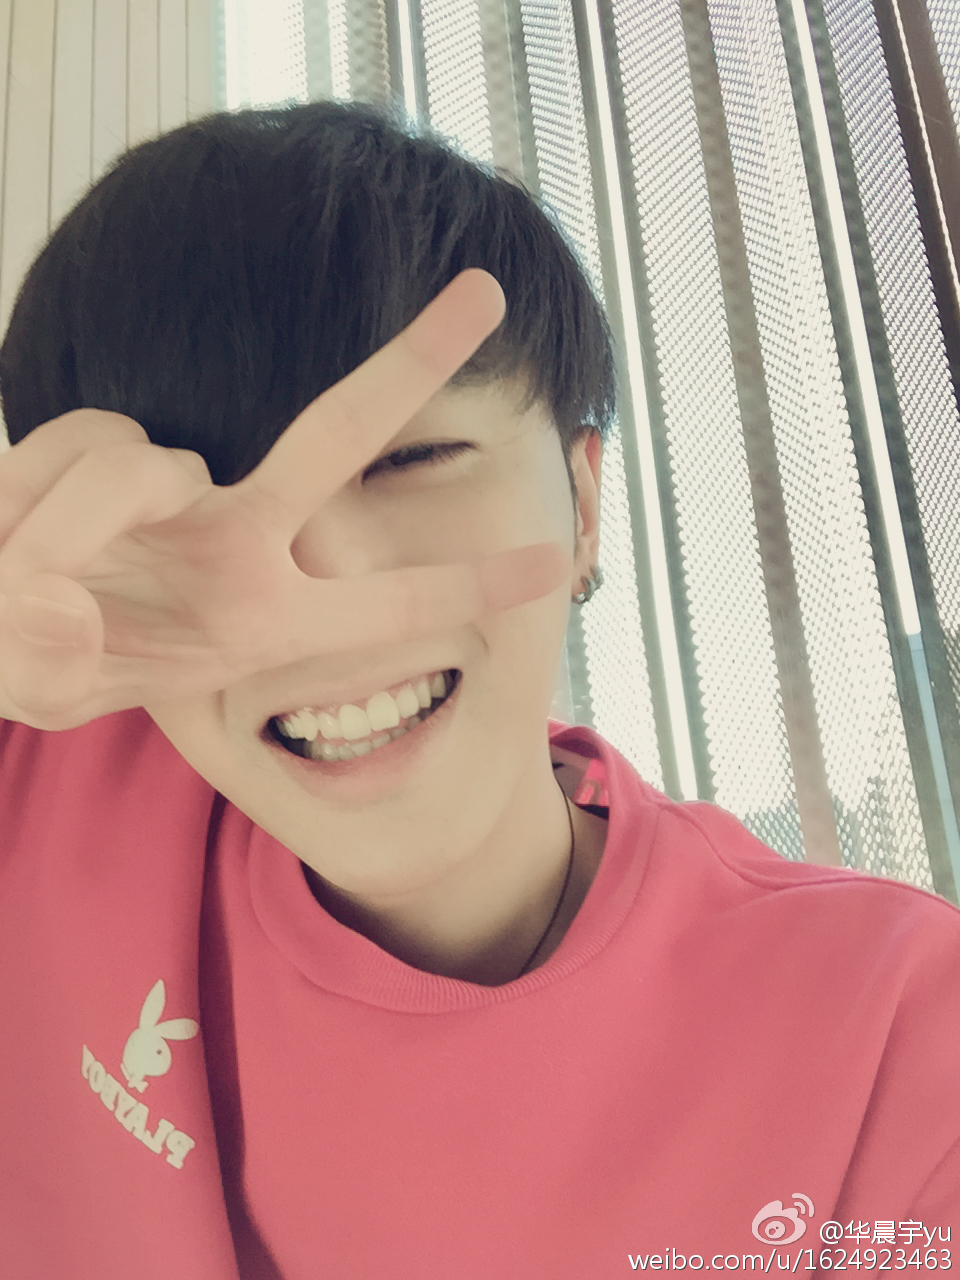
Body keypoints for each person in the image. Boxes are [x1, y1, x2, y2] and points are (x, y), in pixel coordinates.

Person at [0, 99, 956, 1280]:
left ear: (583, 502)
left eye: (413, 458)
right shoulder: (45, 758)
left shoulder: (892, 1028)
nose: (316, 592)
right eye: (192, 517)